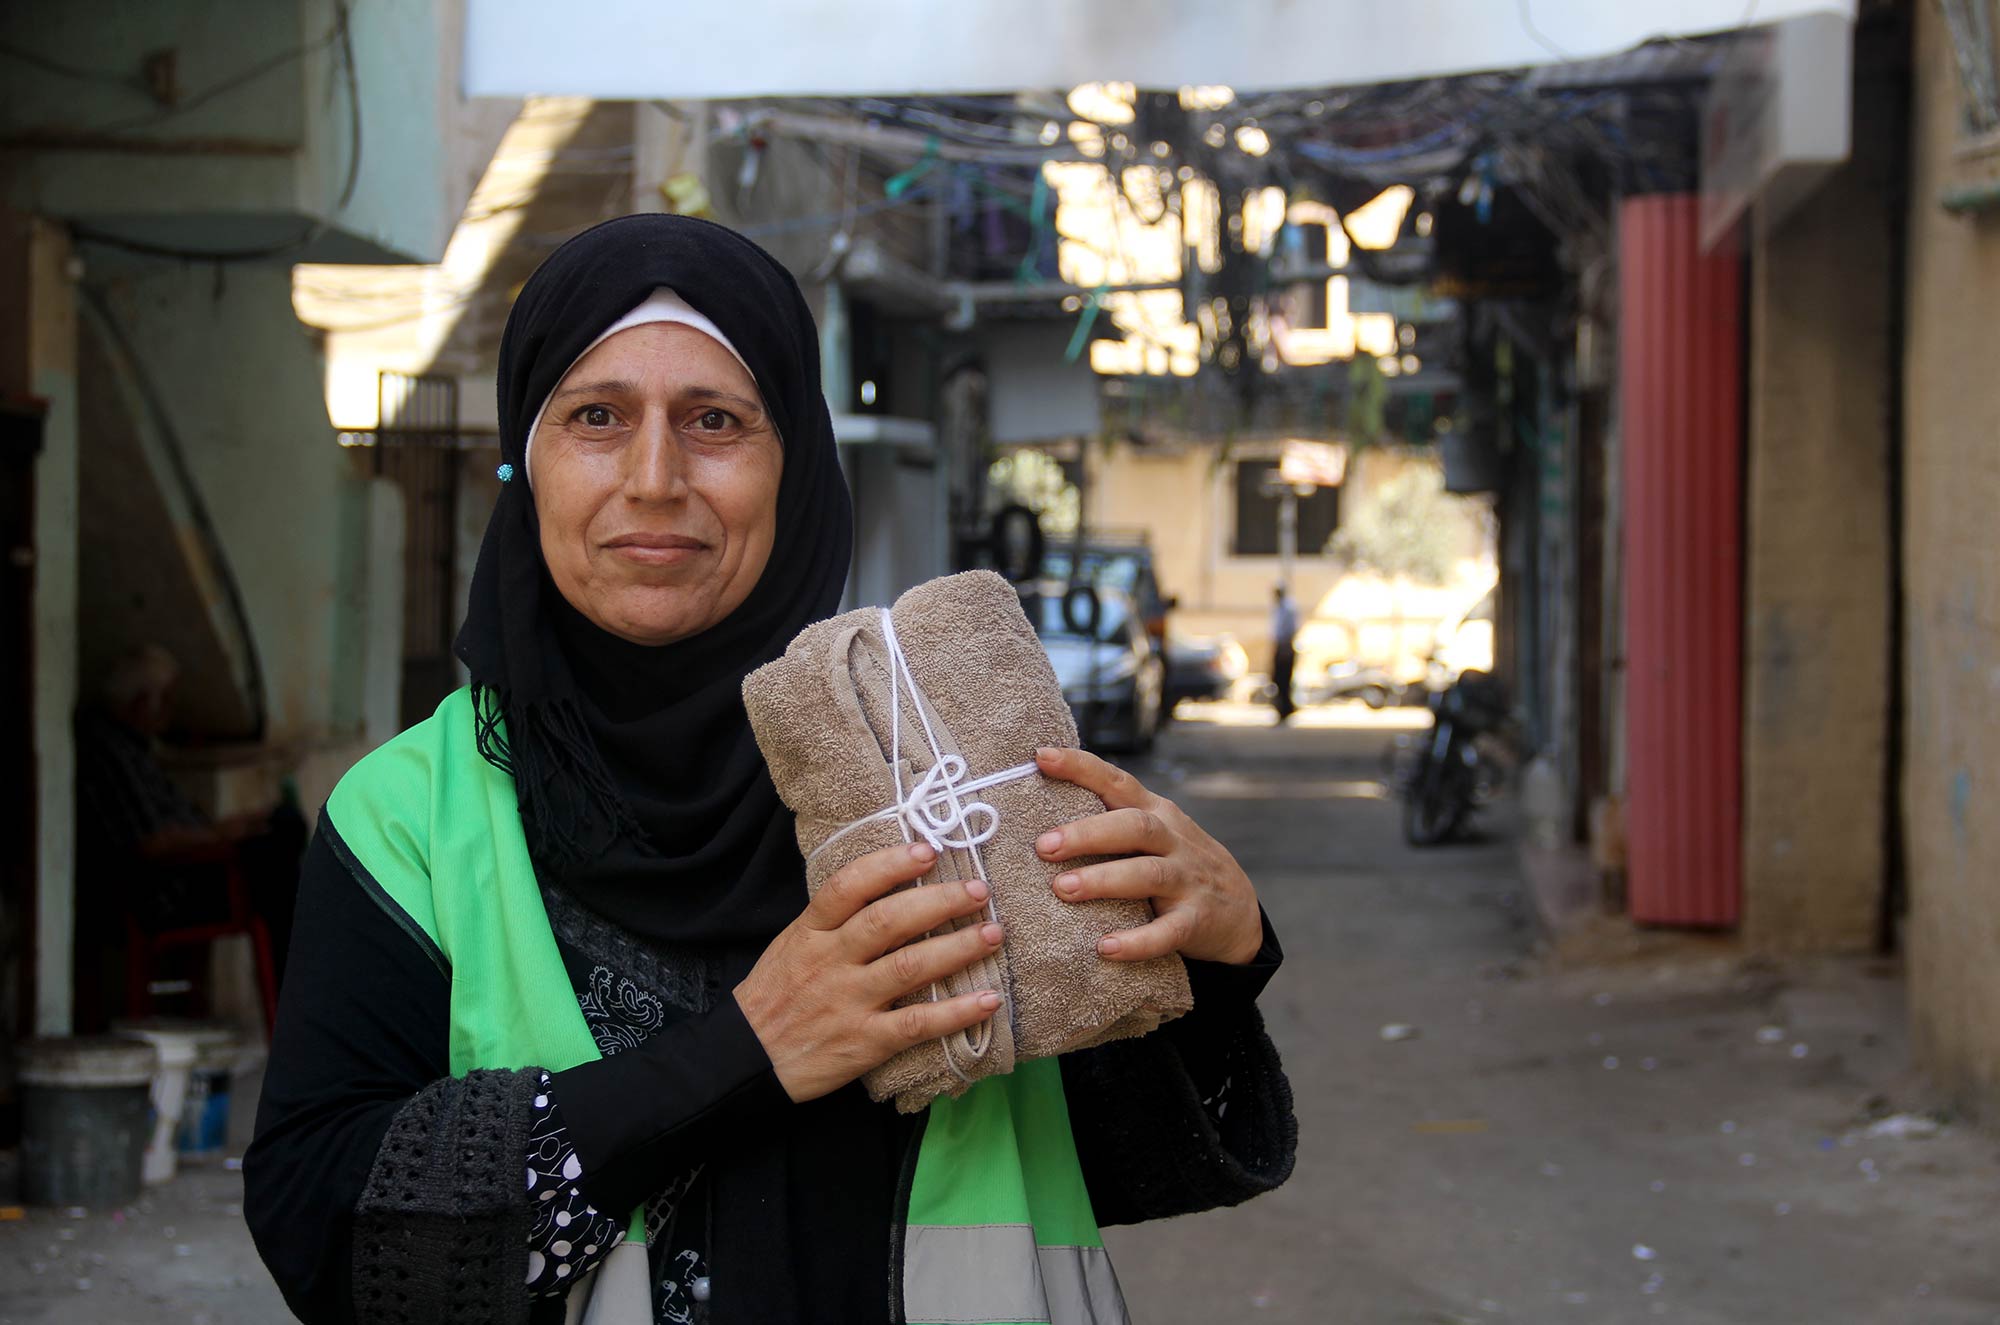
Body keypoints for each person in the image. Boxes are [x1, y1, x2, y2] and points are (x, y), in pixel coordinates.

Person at [244, 214, 1294, 1325]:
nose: (654, 478)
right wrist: (745, 1050)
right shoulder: (408, 816)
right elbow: (325, 1230)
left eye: (715, 420)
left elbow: (1128, 1162)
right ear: (525, 459)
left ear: (792, 461)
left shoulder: (943, 763)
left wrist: (1215, 956)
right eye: (595, 416)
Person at [74, 643, 305, 1000]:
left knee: (283, 830)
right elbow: (150, 843)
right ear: (140, 703)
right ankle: (293, 996)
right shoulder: (109, 751)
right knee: (279, 864)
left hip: (193, 867)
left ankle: (296, 989)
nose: (170, 711)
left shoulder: (136, 748)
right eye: (164, 700)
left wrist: (238, 826)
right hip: (167, 889)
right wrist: (221, 836)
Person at [1269, 584, 1300, 724]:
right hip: (1280, 645)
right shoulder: (1279, 608)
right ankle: (1283, 708)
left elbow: (1290, 629)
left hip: (1285, 646)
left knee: (1283, 679)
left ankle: (1286, 708)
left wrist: (1285, 646)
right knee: (1277, 679)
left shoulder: (1288, 607)